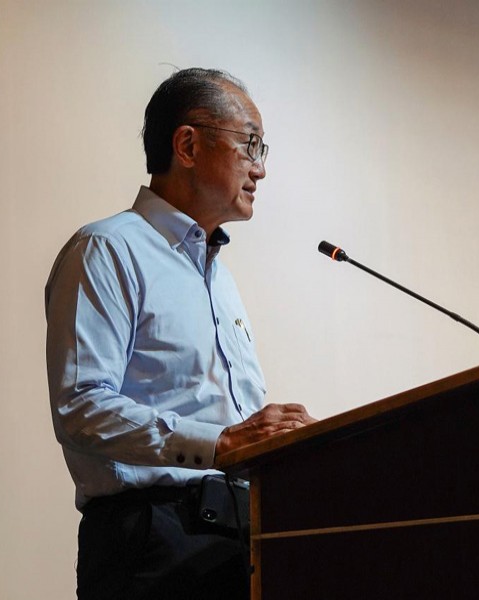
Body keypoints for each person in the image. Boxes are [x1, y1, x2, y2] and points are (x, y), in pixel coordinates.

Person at [45, 68, 315, 600]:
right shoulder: (108, 250)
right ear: (187, 144)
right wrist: (221, 442)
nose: (260, 169)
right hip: (155, 542)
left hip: (242, 536)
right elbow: (81, 405)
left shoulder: (218, 275)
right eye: (250, 144)